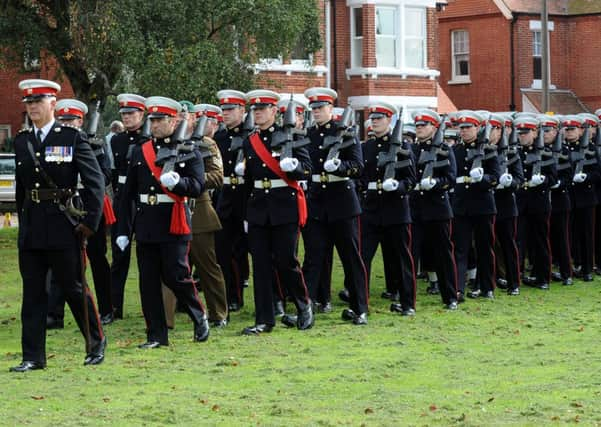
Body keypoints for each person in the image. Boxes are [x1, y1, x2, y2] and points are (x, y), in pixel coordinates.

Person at [11, 79, 106, 372]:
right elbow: (21, 189)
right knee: (33, 293)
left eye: (38, 102)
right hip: (33, 228)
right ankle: (33, 356)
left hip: (64, 227)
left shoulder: (71, 138)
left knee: (74, 287)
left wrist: (90, 222)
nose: (32, 108)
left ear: (53, 103)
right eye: (28, 103)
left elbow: (95, 183)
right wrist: (22, 222)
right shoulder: (22, 140)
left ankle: (95, 343)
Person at [115, 96, 210, 348]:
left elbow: (198, 186)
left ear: (173, 120)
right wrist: (123, 229)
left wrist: (178, 183)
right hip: (146, 222)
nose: (154, 125)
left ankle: (198, 315)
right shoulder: (140, 151)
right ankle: (156, 335)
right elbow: (127, 195)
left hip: (173, 221)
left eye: (160, 120)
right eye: (152, 120)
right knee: (148, 283)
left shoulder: (188, 150)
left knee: (176, 275)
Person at [236, 89, 314, 335]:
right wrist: (246, 214)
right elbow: (249, 182)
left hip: (284, 206)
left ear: (273, 111)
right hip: (259, 207)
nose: (258, 113)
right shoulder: (250, 141)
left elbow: (307, 170)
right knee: (260, 264)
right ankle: (264, 319)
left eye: (262, 109)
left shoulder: (290, 135)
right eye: (255, 110)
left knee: (286, 260)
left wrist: (295, 168)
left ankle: (304, 306)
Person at [301, 87, 368, 324]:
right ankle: (305, 309)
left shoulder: (346, 134)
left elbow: (358, 168)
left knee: (350, 257)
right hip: (317, 201)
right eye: (314, 108)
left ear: (331, 108)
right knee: (313, 257)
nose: (317, 112)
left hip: (342, 201)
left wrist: (339, 167)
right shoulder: (307, 135)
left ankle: (359, 308)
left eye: (321, 107)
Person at [47, 99, 116, 327]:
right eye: (63, 119)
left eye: (72, 120)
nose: (67, 123)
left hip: (88, 205)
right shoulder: (54, 144)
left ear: (81, 120)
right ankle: (55, 314)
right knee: (59, 261)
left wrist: (84, 177)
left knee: (97, 259)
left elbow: (105, 174)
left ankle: (106, 309)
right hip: (66, 206)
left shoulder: (94, 144)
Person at [162, 102, 228, 329]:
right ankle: (165, 320)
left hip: (198, 208)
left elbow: (218, 177)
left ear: (193, 119)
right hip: (170, 209)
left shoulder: (205, 143)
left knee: (207, 266)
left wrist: (190, 181)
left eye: (185, 115)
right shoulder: (163, 144)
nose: (180, 120)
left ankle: (218, 313)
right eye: (176, 116)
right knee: (169, 267)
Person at [360, 101, 416, 316]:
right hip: (372, 209)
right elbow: (360, 177)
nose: (374, 122)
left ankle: (407, 303)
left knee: (401, 259)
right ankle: (360, 304)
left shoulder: (402, 146)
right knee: (363, 258)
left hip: (395, 210)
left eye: (379, 119)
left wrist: (398, 186)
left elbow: (411, 180)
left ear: (389, 120)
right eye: (372, 119)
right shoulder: (366, 147)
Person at [410, 109, 459, 310]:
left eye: (424, 125)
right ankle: (408, 299)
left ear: (434, 127)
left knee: (443, 254)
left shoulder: (444, 150)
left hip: (437, 208)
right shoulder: (410, 149)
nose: (420, 129)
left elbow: (450, 178)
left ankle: (450, 296)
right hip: (415, 208)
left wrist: (435, 182)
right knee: (411, 254)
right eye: (418, 126)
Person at [451, 111, 501, 300]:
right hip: (461, 205)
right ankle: (458, 289)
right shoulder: (455, 151)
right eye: (461, 128)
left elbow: (495, 177)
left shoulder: (488, 150)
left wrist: (483, 179)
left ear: (477, 128)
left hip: (482, 205)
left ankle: (487, 287)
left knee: (484, 248)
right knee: (460, 249)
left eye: (468, 127)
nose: (463, 131)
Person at [213, 90, 251, 312]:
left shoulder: (251, 135)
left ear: (242, 111)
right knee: (225, 251)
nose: (225, 114)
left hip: (247, 196)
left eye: (230, 110)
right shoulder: (219, 137)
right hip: (226, 197)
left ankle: (277, 297)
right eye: (224, 110)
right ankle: (233, 296)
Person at [110, 93, 146, 319]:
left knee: (147, 256)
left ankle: (150, 306)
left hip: (142, 198)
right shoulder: (117, 140)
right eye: (124, 114)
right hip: (123, 198)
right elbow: (114, 171)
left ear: (142, 114)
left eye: (131, 113)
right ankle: (115, 308)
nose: (128, 117)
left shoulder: (149, 139)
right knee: (119, 254)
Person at [515, 114, 558, 290]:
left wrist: (543, 180)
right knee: (519, 241)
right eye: (520, 133)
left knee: (540, 241)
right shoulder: (515, 152)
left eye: (526, 133)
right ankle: (516, 277)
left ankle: (543, 278)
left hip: (539, 202)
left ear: (534, 133)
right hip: (521, 202)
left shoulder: (545, 153)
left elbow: (553, 178)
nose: (522, 136)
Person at [490, 113, 524, 295]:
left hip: (505, 205)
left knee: (508, 244)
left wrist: (509, 182)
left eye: (494, 129)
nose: (490, 133)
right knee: (488, 245)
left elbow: (519, 179)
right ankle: (491, 281)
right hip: (486, 204)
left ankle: (514, 282)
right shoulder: (482, 151)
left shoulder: (510, 152)